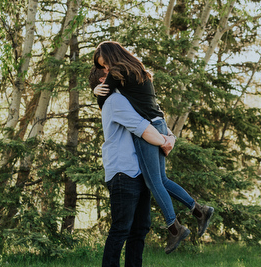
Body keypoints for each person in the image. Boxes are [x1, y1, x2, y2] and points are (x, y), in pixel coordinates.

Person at [91, 41, 214, 254]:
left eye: (105, 65)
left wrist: (95, 91)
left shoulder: (118, 71)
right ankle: (199, 211)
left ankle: (175, 228)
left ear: (112, 58)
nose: (106, 70)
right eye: (103, 67)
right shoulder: (136, 67)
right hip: (160, 122)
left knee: (153, 181)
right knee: (162, 180)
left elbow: (105, 102)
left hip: (149, 125)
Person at [90, 66, 168, 267]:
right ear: (105, 80)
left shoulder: (123, 99)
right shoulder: (114, 101)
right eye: (114, 76)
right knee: (121, 228)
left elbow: (150, 115)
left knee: (140, 227)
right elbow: (142, 127)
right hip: (123, 171)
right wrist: (165, 140)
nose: (123, 79)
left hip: (138, 170)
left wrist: (167, 134)